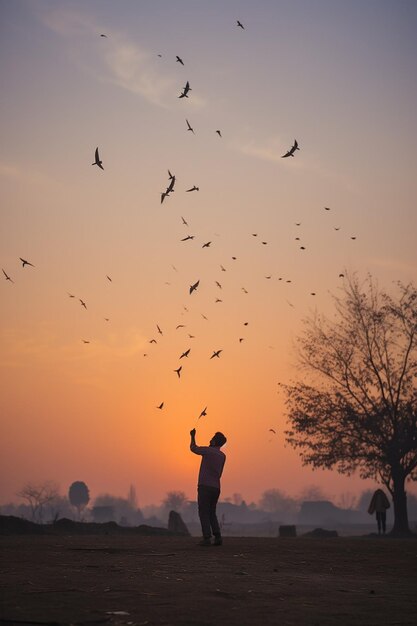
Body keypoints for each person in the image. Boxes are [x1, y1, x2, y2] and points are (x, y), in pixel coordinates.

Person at [190, 428, 227, 546]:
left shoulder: (208, 451)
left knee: (203, 512)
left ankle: (206, 538)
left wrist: (192, 436)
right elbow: (220, 473)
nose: (209, 440)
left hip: (204, 486)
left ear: (214, 442)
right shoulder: (222, 456)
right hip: (216, 487)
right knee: (212, 512)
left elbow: (193, 448)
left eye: (211, 439)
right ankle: (217, 536)